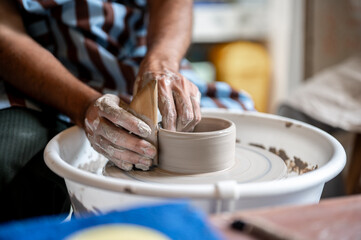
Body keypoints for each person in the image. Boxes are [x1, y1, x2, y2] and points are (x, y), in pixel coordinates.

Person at [0, 0, 254, 221]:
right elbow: (5, 30)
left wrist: (162, 62)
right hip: (43, 66)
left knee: (247, 121)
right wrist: (84, 106)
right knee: (12, 157)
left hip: (144, 56)